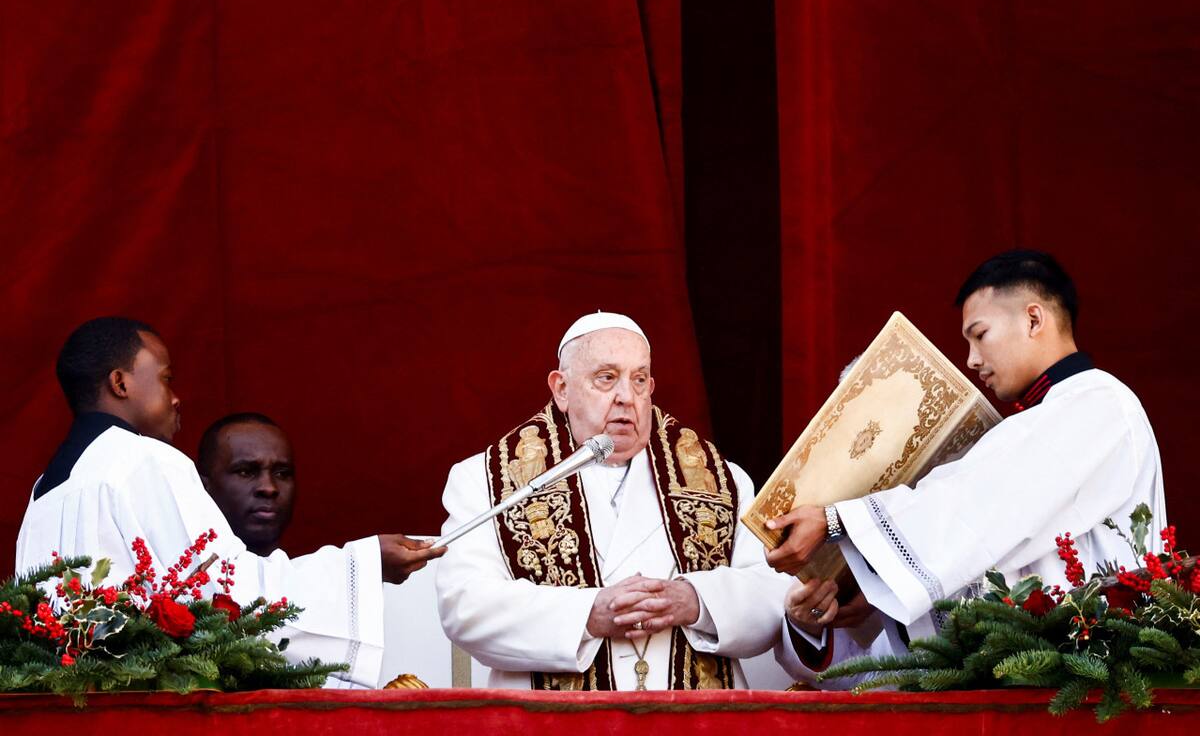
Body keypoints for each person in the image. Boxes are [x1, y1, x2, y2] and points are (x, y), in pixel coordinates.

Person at [769, 250, 1168, 683]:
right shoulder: (1045, 422)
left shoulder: (1099, 403)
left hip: (1085, 680)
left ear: (1033, 319)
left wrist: (837, 520)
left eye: (980, 335)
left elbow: (976, 502)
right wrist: (870, 590)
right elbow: (871, 676)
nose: (972, 359)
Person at [16, 317, 445, 688]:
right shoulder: (145, 459)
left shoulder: (44, 490)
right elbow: (226, 596)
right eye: (166, 378)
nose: (176, 397)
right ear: (120, 383)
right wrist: (364, 564)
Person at [436, 312, 792, 690]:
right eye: (606, 378)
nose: (626, 397)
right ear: (561, 389)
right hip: (550, 718)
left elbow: (776, 594)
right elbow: (465, 603)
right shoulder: (487, 480)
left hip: (695, 716)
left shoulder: (722, 481)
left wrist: (697, 601)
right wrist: (588, 614)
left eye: (639, 380)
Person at [197, 412, 295, 557]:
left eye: (282, 474)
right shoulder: (168, 568)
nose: (269, 488)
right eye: (246, 472)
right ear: (203, 485)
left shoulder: (322, 569)